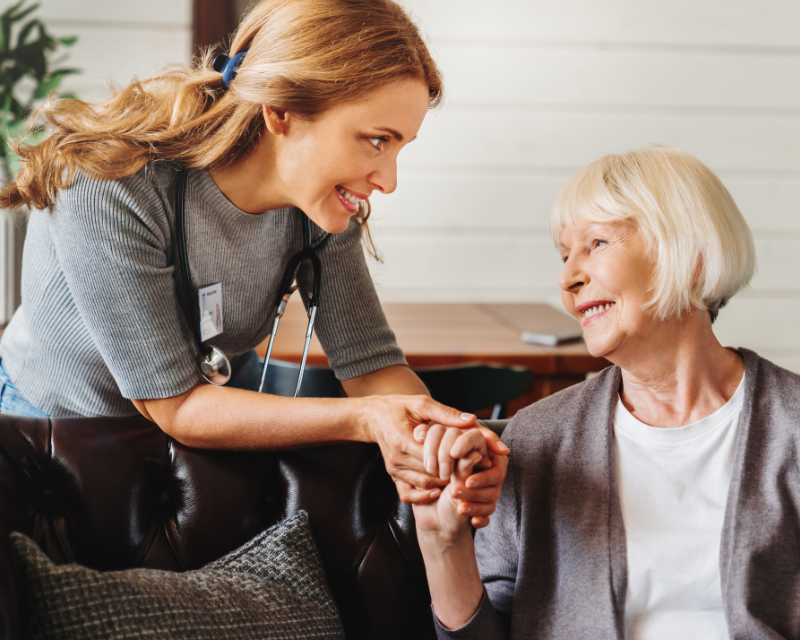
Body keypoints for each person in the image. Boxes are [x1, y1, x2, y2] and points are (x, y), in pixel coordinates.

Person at [0, 0, 508, 516]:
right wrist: (364, 419)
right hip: (51, 436)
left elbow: (373, 367)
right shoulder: (112, 183)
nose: (389, 181)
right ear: (280, 112)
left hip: (202, 427)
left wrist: (445, 443)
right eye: (376, 141)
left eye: (400, 148)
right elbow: (175, 406)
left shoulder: (317, 209)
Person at [410, 146, 800, 639]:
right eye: (565, 255)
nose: (568, 278)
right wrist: (442, 543)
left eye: (597, 244)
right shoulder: (537, 438)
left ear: (692, 256)